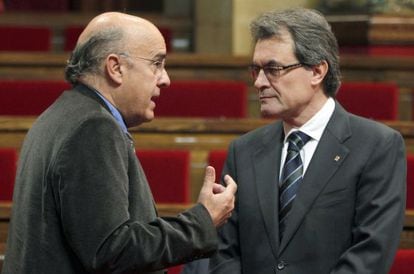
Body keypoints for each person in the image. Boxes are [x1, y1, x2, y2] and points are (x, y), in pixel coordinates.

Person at [2, 12, 237, 274]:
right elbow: (112, 251)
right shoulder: (92, 127)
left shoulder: (60, 115)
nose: (165, 78)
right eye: (156, 63)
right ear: (115, 67)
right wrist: (202, 221)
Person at [209, 8, 406, 274]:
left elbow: (370, 252)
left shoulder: (377, 146)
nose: (259, 82)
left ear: (317, 71)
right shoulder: (243, 150)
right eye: (255, 70)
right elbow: (225, 251)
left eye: (273, 69)